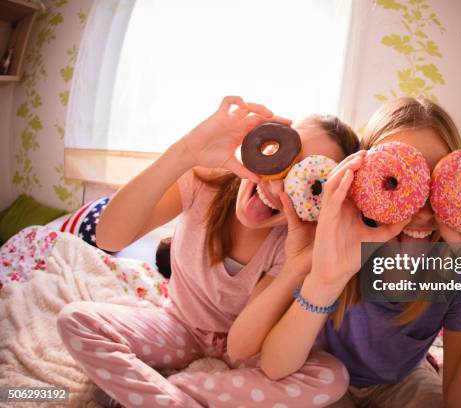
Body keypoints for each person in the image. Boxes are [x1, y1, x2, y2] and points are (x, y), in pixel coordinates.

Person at [57, 96, 359, 407]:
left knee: (331, 377)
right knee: (76, 320)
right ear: (267, 145)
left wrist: (295, 269)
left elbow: (242, 346)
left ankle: (169, 388)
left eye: (306, 181)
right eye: (283, 157)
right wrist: (185, 152)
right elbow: (109, 236)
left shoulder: (295, 242)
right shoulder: (206, 181)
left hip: (247, 352)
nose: (277, 187)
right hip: (179, 326)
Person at [259, 97, 461, 408]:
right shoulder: (337, 243)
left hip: (401, 381)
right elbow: (275, 366)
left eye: (436, 182)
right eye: (396, 181)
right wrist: (326, 279)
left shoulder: (455, 271)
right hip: (321, 372)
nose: (420, 210)